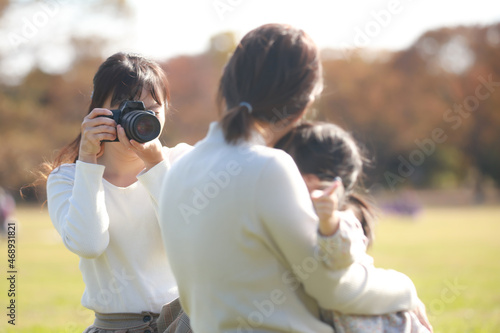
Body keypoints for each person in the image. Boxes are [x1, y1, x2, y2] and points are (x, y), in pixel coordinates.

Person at [157, 24, 427, 333]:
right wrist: (405, 289)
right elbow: (334, 288)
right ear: (303, 107)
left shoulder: (178, 169)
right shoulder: (269, 168)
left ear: (228, 84)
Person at [45, 52, 192, 333]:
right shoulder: (68, 178)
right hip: (114, 327)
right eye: (125, 109)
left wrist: (156, 165)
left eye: (151, 110)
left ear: (166, 111)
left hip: (184, 320)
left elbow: (189, 236)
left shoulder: (183, 161)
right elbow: (89, 244)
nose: (139, 118)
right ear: (96, 111)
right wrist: (87, 161)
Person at [275, 121, 432, 332]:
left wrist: (329, 220)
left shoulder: (344, 219)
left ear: (310, 181)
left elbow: (339, 256)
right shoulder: (299, 219)